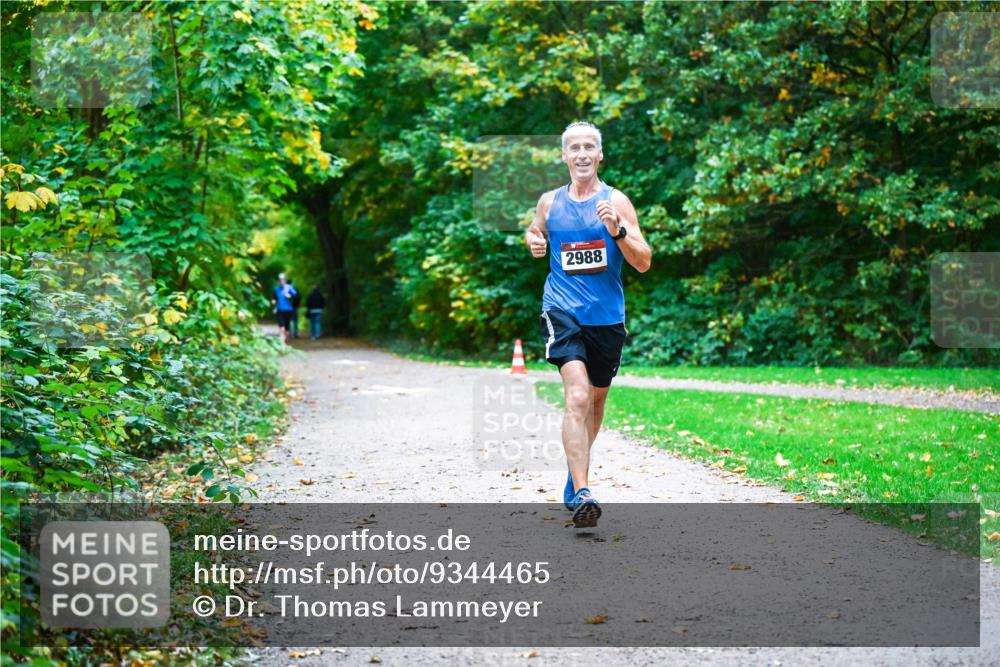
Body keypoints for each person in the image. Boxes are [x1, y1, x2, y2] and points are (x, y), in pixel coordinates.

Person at [525, 122, 652, 528]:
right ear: (564, 156)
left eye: (589, 147)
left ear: (600, 156)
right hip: (561, 310)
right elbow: (536, 231)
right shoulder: (549, 203)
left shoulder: (617, 202)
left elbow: (643, 260)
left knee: (596, 402)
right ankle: (583, 492)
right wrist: (534, 240)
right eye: (574, 147)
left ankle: (572, 480)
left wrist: (616, 230)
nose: (581, 154)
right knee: (577, 396)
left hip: (607, 319)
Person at [271, 273, 298, 344]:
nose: (281, 281)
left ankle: (286, 338)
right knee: (281, 327)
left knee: (287, 327)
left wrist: (290, 296)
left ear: (285, 280)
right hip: (280, 310)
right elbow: (274, 298)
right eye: (280, 280)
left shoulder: (289, 288)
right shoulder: (276, 289)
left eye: (282, 280)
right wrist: (273, 301)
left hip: (288, 310)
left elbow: (296, 297)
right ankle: (282, 342)